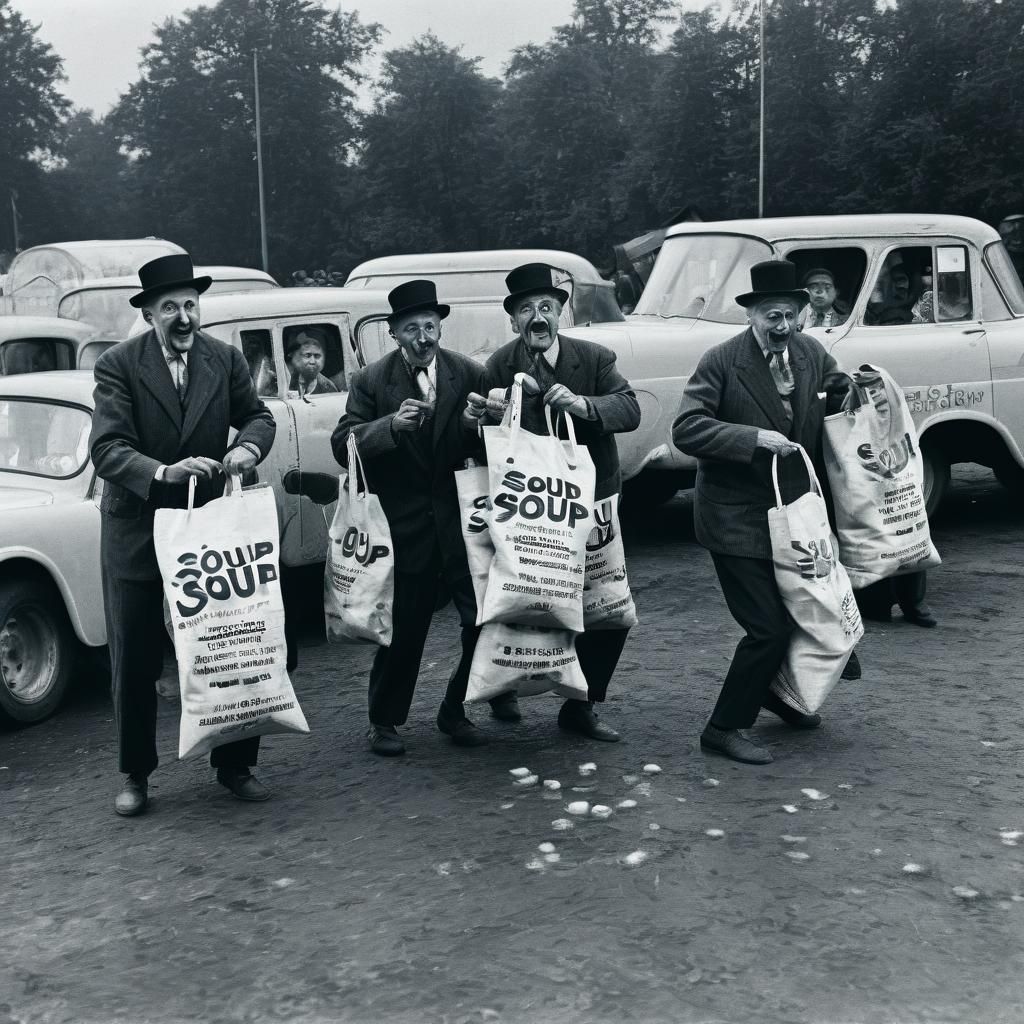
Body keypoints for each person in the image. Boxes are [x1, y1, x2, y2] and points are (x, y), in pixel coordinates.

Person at [89, 253, 277, 816]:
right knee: (136, 660)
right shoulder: (118, 366)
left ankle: (236, 765)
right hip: (139, 531)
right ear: (148, 314)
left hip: (209, 531)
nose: (184, 317)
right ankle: (136, 776)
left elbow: (257, 416)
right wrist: (164, 473)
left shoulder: (224, 358)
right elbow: (106, 450)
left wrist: (245, 449)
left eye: (191, 304)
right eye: (169, 307)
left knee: (230, 646)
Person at [672, 259, 851, 765]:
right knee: (767, 627)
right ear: (751, 315)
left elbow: (834, 393)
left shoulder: (811, 351)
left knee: (801, 612)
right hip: (734, 519)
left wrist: (855, 391)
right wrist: (752, 438)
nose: (782, 327)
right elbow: (686, 429)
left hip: (794, 516)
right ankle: (722, 728)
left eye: (790, 315)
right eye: (772, 316)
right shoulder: (722, 361)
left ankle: (780, 695)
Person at [465, 262, 642, 742]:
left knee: (606, 607)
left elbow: (629, 409)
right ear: (514, 321)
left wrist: (583, 406)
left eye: (546, 307)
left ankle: (583, 708)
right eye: (526, 310)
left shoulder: (594, 357)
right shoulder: (498, 365)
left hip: (591, 502)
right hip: (527, 509)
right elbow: (478, 438)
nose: (537, 317)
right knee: (523, 598)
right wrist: (483, 417)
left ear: (560, 314)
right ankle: (503, 687)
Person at [331, 280, 487, 757]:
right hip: (404, 529)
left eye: (431, 326)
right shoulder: (372, 381)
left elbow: (489, 445)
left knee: (481, 620)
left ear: (440, 328)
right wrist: (387, 429)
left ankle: (455, 709)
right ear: (395, 334)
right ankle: (384, 721)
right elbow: (344, 446)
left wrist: (477, 427)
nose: (424, 337)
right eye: (412, 328)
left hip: (461, 525)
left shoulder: (469, 373)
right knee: (404, 627)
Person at [285, 329, 338, 396]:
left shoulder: (329, 389)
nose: (312, 361)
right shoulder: (286, 381)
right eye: (307, 355)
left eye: (317, 356)